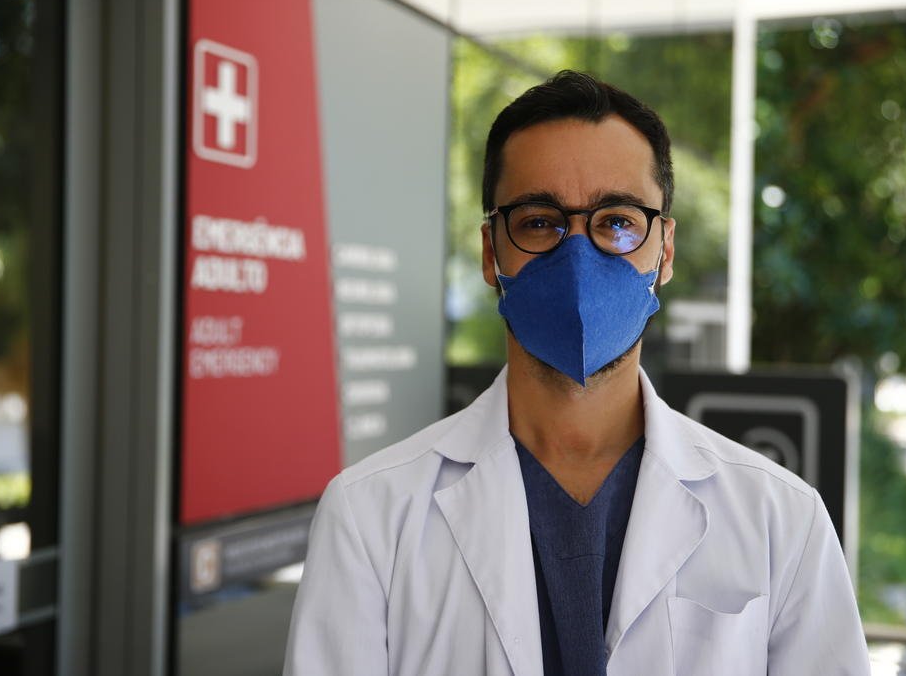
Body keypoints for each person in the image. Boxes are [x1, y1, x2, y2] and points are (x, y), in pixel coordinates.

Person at [283, 70, 870, 675]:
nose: (578, 256)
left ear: (665, 250)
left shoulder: (781, 518)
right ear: (490, 252)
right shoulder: (370, 514)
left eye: (618, 221)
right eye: (540, 221)